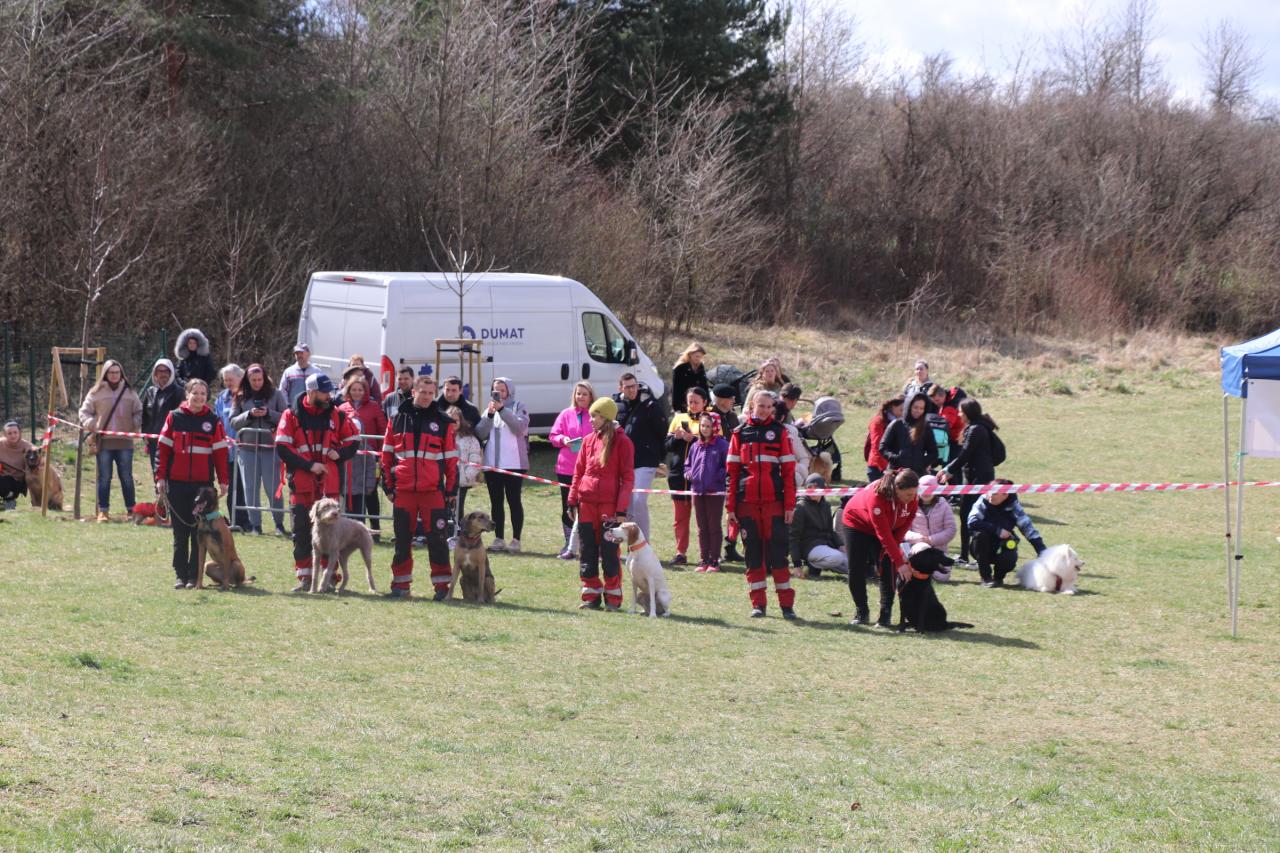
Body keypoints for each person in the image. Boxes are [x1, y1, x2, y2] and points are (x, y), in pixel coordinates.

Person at [275, 372, 360, 592]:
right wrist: (309, 465)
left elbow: (353, 441)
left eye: (329, 392)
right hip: (302, 484)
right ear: (311, 392)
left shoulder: (337, 415)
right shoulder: (290, 415)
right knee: (301, 532)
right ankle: (305, 578)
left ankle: (329, 578)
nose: (329, 396)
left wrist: (339, 453)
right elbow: (282, 447)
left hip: (329, 484)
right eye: (324, 392)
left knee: (331, 535)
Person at [381, 373, 458, 600]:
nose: (426, 397)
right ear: (413, 392)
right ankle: (400, 586)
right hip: (404, 491)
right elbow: (386, 456)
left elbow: (451, 460)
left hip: (433, 492)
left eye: (430, 393)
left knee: (438, 541)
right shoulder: (396, 419)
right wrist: (388, 486)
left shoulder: (443, 422)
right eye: (422, 392)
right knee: (402, 541)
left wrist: (451, 490)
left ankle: (442, 588)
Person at [727, 389, 798, 619]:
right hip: (747, 505)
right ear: (751, 406)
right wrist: (731, 508)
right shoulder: (739, 433)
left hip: (774, 504)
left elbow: (789, 474)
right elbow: (732, 475)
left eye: (770, 407)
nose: (766, 410)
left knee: (779, 555)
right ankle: (758, 605)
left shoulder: (780, 432)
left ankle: (787, 607)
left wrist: (789, 506)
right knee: (753, 556)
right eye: (762, 406)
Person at [155, 379, 230, 589]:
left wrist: (224, 480)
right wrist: (160, 478)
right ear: (187, 394)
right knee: (180, 532)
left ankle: (194, 577)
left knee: (199, 533)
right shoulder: (174, 417)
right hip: (177, 484)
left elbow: (220, 453)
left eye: (203, 393)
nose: (199, 397)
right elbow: (162, 451)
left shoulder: (213, 421)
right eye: (195, 393)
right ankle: (180, 575)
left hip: (202, 486)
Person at [567, 397, 635, 610]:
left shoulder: (623, 442)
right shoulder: (588, 440)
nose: (591, 419)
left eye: (595, 416)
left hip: (609, 508)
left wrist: (621, 510)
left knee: (609, 553)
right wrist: (572, 500)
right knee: (587, 550)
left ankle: (613, 598)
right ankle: (591, 596)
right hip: (586, 505)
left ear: (606, 417)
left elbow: (627, 480)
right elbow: (578, 473)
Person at [841, 468, 919, 627]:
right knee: (856, 568)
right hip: (857, 524)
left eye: (914, 494)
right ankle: (861, 612)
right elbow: (883, 534)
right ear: (897, 489)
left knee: (888, 566)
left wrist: (894, 556)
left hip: (888, 528)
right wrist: (900, 562)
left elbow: (902, 528)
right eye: (908, 495)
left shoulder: (912, 500)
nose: (912, 498)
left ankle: (885, 614)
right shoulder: (877, 497)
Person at [78, 359, 143, 523]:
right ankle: (103, 512)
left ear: (121, 374)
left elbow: (139, 411)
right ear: (105, 374)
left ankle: (131, 510)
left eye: (117, 372)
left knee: (126, 477)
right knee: (104, 478)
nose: (114, 375)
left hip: (125, 442)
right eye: (111, 372)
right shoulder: (96, 392)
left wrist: (134, 423)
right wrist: (93, 424)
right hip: (104, 443)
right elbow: (84, 412)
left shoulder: (130, 392)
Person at [939, 398, 1000, 566]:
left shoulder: (976, 429)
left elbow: (965, 454)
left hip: (978, 479)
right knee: (969, 515)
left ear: (967, 413)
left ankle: (973, 556)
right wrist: (949, 469)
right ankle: (967, 555)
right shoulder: (978, 427)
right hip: (975, 477)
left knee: (970, 515)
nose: (959, 414)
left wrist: (948, 470)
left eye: (961, 411)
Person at [230, 364, 288, 536]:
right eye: (253, 380)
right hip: (247, 450)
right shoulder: (240, 396)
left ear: (265, 378)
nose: (256, 383)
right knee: (250, 488)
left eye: (259, 379)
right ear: (247, 380)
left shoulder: (276, 394)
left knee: (273, 489)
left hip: (271, 450)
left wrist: (268, 413)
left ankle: (279, 524)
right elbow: (233, 421)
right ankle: (255, 525)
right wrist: (249, 415)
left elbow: (286, 418)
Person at [475, 377, 529, 553]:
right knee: (496, 502)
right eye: (495, 391)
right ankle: (499, 538)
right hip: (492, 464)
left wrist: (502, 410)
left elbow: (519, 428)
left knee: (514, 501)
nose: (498, 394)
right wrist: (490, 415)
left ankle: (516, 540)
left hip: (514, 464)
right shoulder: (488, 410)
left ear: (509, 391)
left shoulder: (518, 406)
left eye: (502, 390)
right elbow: (480, 433)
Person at [612, 372, 668, 541]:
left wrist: (660, 457)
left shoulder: (650, 405)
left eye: (634, 386)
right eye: (627, 387)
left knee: (638, 501)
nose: (631, 390)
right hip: (624, 462)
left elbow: (662, 431)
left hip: (645, 460)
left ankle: (644, 543)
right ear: (621, 388)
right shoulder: (617, 405)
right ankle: (632, 544)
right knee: (627, 504)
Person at [967, 480, 1046, 587]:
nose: (990, 495)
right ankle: (986, 578)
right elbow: (972, 521)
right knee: (981, 536)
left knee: (1009, 558)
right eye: (988, 491)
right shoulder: (982, 501)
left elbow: (1027, 527)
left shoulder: (1013, 505)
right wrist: (997, 530)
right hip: (980, 546)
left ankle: (998, 578)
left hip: (1003, 543)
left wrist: (1041, 551)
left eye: (994, 493)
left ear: (1005, 495)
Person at [665, 387, 711, 565]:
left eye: (696, 402)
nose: (692, 405)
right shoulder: (678, 418)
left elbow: (716, 444)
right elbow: (667, 446)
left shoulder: (711, 419)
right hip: (678, 475)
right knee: (680, 518)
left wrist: (693, 439)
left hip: (702, 476)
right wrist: (676, 438)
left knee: (703, 519)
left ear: (705, 403)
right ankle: (680, 553)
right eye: (690, 402)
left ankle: (705, 555)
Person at [549, 381, 595, 559]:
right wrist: (563, 440)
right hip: (566, 468)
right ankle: (569, 544)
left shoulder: (595, 415)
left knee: (587, 507)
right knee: (568, 507)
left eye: (584, 394)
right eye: (578, 393)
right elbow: (553, 435)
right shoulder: (565, 414)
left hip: (589, 468)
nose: (581, 397)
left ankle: (588, 543)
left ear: (591, 396)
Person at [338, 373, 386, 540]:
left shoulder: (374, 407)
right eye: (354, 389)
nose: (357, 392)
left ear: (365, 391)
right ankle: (352, 530)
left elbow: (382, 429)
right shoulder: (342, 408)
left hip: (370, 456)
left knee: (371, 493)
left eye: (360, 389)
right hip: (349, 457)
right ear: (348, 390)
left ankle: (375, 529)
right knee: (351, 494)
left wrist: (380, 453)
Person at [685, 412, 729, 572]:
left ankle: (714, 560)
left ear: (715, 427)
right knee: (701, 527)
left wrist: (717, 477)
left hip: (715, 492)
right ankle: (704, 559)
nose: (704, 429)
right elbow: (687, 465)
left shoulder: (722, 445)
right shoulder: (695, 445)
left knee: (714, 526)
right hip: (697, 491)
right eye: (702, 425)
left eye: (708, 426)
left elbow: (728, 466)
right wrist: (689, 474)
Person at [213, 364, 251, 532]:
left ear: (240, 378)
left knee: (246, 487)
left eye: (231, 379)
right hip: (228, 451)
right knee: (233, 488)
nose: (228, 382)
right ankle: (236, 520)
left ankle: (249, 521)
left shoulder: (248, 396)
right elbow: (218, 420)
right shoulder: (222, 398)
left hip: (247, 449)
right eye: (225, 380)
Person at [790, 473, 847, 578]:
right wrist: (797, 565)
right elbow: (793, 537)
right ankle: (811, 565)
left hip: (826, 545)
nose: (813, 490)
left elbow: (830, 530)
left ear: (822, 489)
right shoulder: (800, 507)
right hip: (809, 548)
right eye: (809, 487)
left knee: (851, 563)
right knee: (837, 557)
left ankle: (817, 567)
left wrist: (841, 545)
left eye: (816, 487)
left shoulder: (826, 505)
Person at [904, 474, 957, 579]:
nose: (926, 493)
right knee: (922, 549)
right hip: (918, 547)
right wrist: (919, 538)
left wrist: (932, 540)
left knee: (942, 578)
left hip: (939, 549)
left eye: (930, 489)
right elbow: (904, 530)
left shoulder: (944, 505)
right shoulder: (909, 505)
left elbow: (951, 529)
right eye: (923, 489)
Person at [141, 358, 185, 476]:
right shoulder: (150, 391)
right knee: (157, 474)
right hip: (154, 442)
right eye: (160, 371)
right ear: (155, 373)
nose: (163, 374)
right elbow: (144, 416)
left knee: (172, 475)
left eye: (166, 371)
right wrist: (145, 435)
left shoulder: (179, 392)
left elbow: (182, 418)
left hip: (172, 443)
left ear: (171, 373)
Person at [878, 392, 937, 476]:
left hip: (917, 475)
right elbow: (883, 447)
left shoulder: (926, 427)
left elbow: (933, 452)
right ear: (909, 407)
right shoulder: (896, 424)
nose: (918, 411)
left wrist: (921, 463)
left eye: (921, 408)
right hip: (896, 473)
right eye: (915, 407)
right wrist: (896, 459)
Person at [447, 405, 483, 524]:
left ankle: (457, 531)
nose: (453, 423)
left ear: (461, 421)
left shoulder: (470, 439)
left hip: (460, 482)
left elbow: (475, 461)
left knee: (457, 509)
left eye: (456, 420)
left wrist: (466, 476)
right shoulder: (439, 437)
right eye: (450, 419)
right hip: (443, 482)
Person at [864, 396, 903, 482]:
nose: (903, 413)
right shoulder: (878, 421)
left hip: (894, 468)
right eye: (901, 410)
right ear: (893, 406)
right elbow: (877, 447)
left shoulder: (902, 422)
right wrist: (886, 470)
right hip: (878, 468)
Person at [0, 421, 33, 510]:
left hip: (17, 480)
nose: (13, 435)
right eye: (9, 433)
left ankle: (9, 500)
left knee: (4, 482)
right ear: (5, 435)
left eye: (15, 432)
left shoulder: (28, 447)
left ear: (20, 433)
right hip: (2, 475)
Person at [670, 342, 708, 413]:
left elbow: (704, 385)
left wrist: (707, 402)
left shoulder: (700, 367)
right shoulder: (680, 368)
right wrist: (677, 408)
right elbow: (676, 389)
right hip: (683, 403)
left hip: (698, 403)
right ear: (690, 354)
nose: (698, 359)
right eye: (697, 356)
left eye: (700, 357)